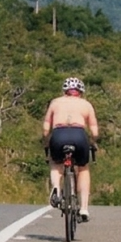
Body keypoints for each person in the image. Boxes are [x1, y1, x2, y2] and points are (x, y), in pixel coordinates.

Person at [41, 76, 99, 220]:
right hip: (79, 135)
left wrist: (46, 140)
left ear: (65, 91)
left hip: (59, 134)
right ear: (80, 92)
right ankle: (84, 208)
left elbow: (46, 127)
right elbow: (95, 131)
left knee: (56, 162)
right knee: (83, 168)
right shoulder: (86, 105)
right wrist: (93, 141)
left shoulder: (55, 103)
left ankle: (56, 187)